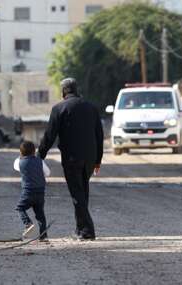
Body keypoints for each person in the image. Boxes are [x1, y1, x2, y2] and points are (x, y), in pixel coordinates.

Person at [38, 77, 103, 240]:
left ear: (63, 91)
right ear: (76, 89)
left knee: (77, 194)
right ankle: (80, 229)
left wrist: (40, 156)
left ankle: (87, 231)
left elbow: (49, 135)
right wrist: (98, 160)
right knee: (83, 192)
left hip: (72, 158)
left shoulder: (59, 108)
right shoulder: (91, 107)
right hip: (89, 158)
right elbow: (99, 135)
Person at [14, 141, 51, 240]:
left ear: (21, 152)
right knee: (40, 214)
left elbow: (16, 167)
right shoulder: (40, 161)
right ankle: (44, 236)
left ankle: (28, 223)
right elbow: (47, 172)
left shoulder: (19, 162)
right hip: (40, 192)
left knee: (20, 208)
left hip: (28, 191)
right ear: (34, 151)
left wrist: (20, 157)